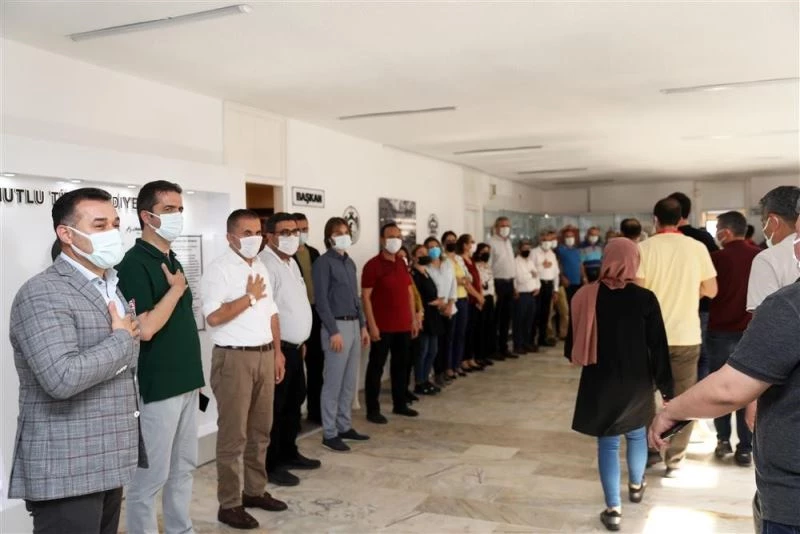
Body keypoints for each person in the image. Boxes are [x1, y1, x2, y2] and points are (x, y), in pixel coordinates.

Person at [649, 222, 800, 532]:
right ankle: (737, 447)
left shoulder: (789, 305)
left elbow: (729, 390)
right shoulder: (737, 255)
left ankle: (722, 441)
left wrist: (671, 412)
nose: (794, 247)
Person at [9, 188, 142, 534]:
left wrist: (123, 342)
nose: (112, 232)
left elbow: (126, 362)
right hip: (67, 466)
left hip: (108, 458)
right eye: (99, 225)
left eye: (115, 224)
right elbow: (61, 377)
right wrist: (121, 340)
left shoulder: (109, 285)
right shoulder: (42, 292)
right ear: (66, 234)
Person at [566, 238, 673, 532]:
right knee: (637, 435)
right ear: (634, 261)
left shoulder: (586, 295)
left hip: (601, 380)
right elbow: (658, 347)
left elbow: (571, 345)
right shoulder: (645, 298)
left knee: (608, 441)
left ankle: (613, 509)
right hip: (638, 380)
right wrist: (667, 388)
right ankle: (636, 486)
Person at [117, 180, 205, 534]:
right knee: (150, 477)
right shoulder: (133, 263)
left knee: (184, 468)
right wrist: (176, 291)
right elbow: (146, 328)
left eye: (180, 209)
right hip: (158, 386)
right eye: (169, 209)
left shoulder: (172, 259)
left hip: (186, 381)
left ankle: (180, 529)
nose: (177, 215)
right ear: (146, 216)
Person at [200, 209, 288, 529]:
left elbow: (272, 313)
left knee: (260, 430)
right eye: (247, 233)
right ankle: (229, 504)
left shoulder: (260, 265)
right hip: (234, 359)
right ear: (230, 237)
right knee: (233, 435)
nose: (255, 239)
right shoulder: (218, 270)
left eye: (258, 232)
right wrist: (249, 298)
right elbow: (213, 317)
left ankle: (254, 491)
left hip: (264, 355)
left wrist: (277, 352)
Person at [636, 197, 717, 477]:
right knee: (683, 399)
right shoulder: (696, 248)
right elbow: (712, 289)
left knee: (645, 396)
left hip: (649, 338)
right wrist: (689, 293)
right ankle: (675, 458)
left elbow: (638, 291)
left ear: (655, 220)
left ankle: (650, 450)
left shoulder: (644, 248)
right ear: (682, 218)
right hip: (686, 335)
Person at [260, 213, 322, 488]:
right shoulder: (265, 264)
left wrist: (301, 340)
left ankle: (289, 452)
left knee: (294, 401)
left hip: (295, 347)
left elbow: (294, 304)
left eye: (295, 231)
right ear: (270, 236)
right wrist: (277, 352)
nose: (292, 237)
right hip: (279, 350)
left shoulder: (291, 261)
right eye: (285, 232)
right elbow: (267, 312)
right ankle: (271, 464)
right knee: (276, 408)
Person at [706, 211, 760, 467]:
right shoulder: (759, 256)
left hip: (719, 332)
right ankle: (745, 448)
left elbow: (708, 292)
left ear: (725, 232)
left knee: (719, 388)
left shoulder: (716, 258)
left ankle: (722, 440)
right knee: (746, 391)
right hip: (751, 332)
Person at [312, 217, 371, 452]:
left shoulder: (350, 262)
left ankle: (344, 426)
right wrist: (333, 331)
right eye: (338, 233)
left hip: (354, 324)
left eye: (346, 232)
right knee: (333, 382)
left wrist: (363, 326)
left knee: (349, 381)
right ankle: (329, 432)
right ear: (329, 237)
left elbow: (356, 298)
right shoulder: (323, 263)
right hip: (336, 327)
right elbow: (321, 301)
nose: (344, 236)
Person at [362, 222, 419, 422]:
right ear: (382, 240)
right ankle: (372, 410)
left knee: (401, 367)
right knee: (376, 368)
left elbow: (409, 292)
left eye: (398, 237)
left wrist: (413, 319)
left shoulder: (402, 263)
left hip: (403, 325)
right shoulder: (372, 265)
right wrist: (372, 325)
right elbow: (366, 297)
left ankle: (400, 404)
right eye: (390, 237)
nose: (395, 240)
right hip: (382, 327)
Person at [668, 191, 719, 381]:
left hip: (668, 304)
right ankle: (698, 391)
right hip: (700, 304)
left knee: (670, 352)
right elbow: (714, 272)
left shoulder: (661, 240)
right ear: (688, 212)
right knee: (701, 353)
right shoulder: (703, 238)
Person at [292, 212, 323, 425]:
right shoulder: (286, 256)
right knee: (295, 371)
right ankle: (294, 416)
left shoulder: (314, 253)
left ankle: (315, 411)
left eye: (305, 229)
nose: (302, 233)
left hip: (316, 314)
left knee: (316, 366)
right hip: (296, 317)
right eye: (298, 229)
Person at [747, 186, 800, 312]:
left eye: (763, 222)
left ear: (773, 221)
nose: (763, 229)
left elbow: (763, 317)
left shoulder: (767, 259)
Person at [411, 244, 446, 394]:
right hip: (423, 316)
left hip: (433, 316)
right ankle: (419, 382)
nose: (424, 255)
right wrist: (432, 303)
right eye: (420, 253)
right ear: (414, 257)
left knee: (433, 350)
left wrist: (439, 301)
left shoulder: (426, 272)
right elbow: (415, 298)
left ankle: (426, 379)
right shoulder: (414, 275)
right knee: (422, 351)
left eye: (426, 253)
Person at [424, 236, 457, 386]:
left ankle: (445, 370)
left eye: (435, 246)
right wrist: (441, 305)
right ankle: (437, 373)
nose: (434, 249)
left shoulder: (447, 263)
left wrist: (450, 304)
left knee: (447, 342)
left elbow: (453, 283)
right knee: (437, 345)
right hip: (435, 310)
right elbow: (428, 290)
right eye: (430, 247)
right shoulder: (426, 267)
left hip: (450, 309)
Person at [443, 230, 471, 377]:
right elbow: (447, 279)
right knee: (450, 335)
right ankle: (448, 367)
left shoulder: (459, 259)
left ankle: (457, 364)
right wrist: (458, 280)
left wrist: (464, 280)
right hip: (451, 300)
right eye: (449, 240)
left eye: (454, 240)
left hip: (463, 298)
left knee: (461, 334)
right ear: (443, 243)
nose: (452, 242)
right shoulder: (442, 259)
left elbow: (468, 276)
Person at [488, 217, 515, 359]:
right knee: (496, 318)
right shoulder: (491, 243)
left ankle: (504, 347)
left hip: (509, 282)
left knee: (506, 317)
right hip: (498, 283)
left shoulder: (508, 242)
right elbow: (488, 266)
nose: (505, 228)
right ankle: (494, 349)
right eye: (502, 225)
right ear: (496, 227)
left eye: (507, 225)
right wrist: (492, 288)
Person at [532, 229, 560, 348]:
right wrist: (541, 266)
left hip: (549, 285)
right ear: (540, 240)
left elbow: (556, 273)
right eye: (544, 240)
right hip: (538, 284)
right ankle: (531, 339)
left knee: (545, 313)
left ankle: (542, 338)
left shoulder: (552, 254)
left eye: (549, 240)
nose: (546, 242)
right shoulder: (534, 253)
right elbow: (531, 270)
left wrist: (556, 289)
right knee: (536, 313)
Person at [512, 240, 540, 355]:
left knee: (529, 321)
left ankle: (526, 343)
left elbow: (537, 275)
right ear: (519, 249)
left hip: (532, 294)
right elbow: (520, 278)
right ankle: (518, 345)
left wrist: (537, 287)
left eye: (528, 249)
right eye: (524, 248)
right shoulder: (516, 262)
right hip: (521, 294)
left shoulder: (530, 261)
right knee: (519, 321)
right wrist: (531, 274)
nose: (527, 251)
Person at [473, 243, 496, 368]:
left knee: (488, 326)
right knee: (480, 327)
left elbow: (491, 283)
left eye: (488, 251)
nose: (486, 254)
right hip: (481, 297)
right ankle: (478, 355)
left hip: (490, 297)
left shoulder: (488, 266)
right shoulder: (475, 265)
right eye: (483, 251)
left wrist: (494, 295)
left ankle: (486, 354)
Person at [556, 226, 586, 302]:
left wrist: (584, 277)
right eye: (567, 236)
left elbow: (580, 265)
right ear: (563, 238)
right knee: (568, 303)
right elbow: (557, 265)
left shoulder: (577, 250)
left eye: (571, 236)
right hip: (567, 282)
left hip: (578, 281)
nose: (570, 238)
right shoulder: (560, 250)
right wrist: (562, 277)